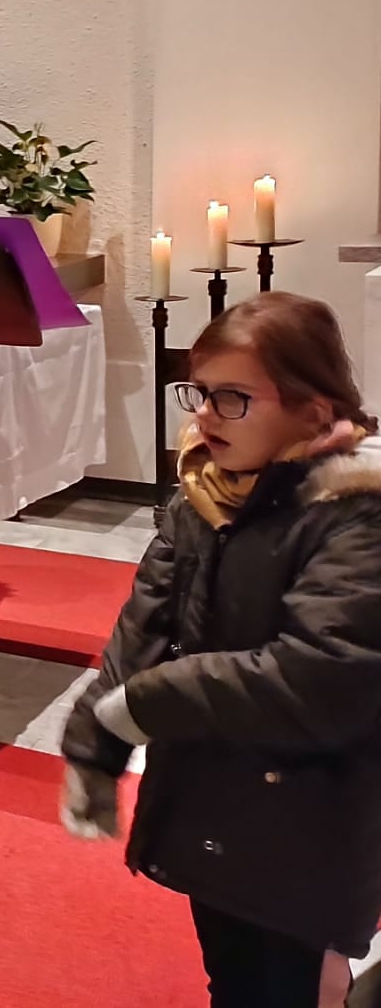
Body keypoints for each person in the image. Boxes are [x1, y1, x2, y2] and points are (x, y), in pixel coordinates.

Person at [61, 293, 381, 1008]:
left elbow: (320, 677)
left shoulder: (357, 510)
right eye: (200, 392)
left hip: (306, 819)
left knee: (285, 987)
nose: (204, 416)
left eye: (233, 398)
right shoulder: (206, 495)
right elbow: (144, 625)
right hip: (211, 794)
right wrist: (94, 742)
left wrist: (144, 704)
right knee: (232, 981)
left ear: (311, 409)